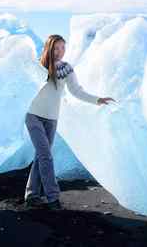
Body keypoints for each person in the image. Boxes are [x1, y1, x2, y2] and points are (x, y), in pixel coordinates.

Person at [24, 34, 116, 210]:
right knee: (45, 155)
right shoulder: (38, 66)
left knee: (41, 155)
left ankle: (31, 194)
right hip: (33, 115)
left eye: (63, 48)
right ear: (49, 48)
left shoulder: (66, 68)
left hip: (51, 119)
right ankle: (53, 197)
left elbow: (76, 91)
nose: (60, 52)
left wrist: (97, 100)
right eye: (56, 48)